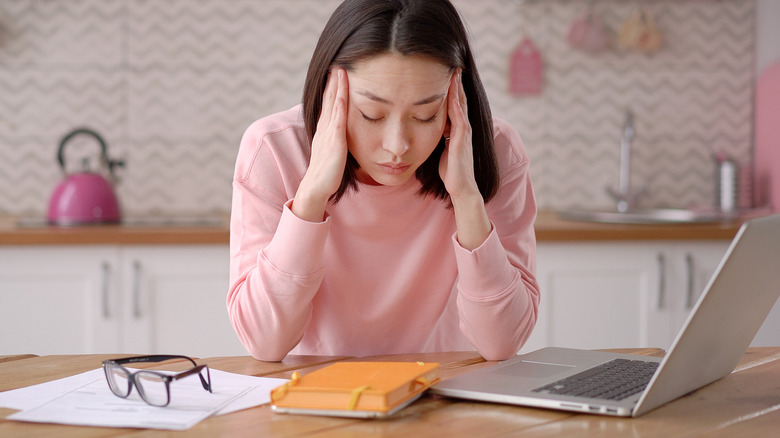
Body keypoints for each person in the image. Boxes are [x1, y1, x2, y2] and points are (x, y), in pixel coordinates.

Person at [227, 0, 539, 362]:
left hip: (446, 395)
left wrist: (467, 197)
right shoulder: (274, 149)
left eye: (425, 115)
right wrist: (311, 195)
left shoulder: (494, 151)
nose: (397, 146)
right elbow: (264, 343)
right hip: (317, 395)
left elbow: (502, 344)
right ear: (331, 89)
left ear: (457, 95)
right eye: (371, 114)